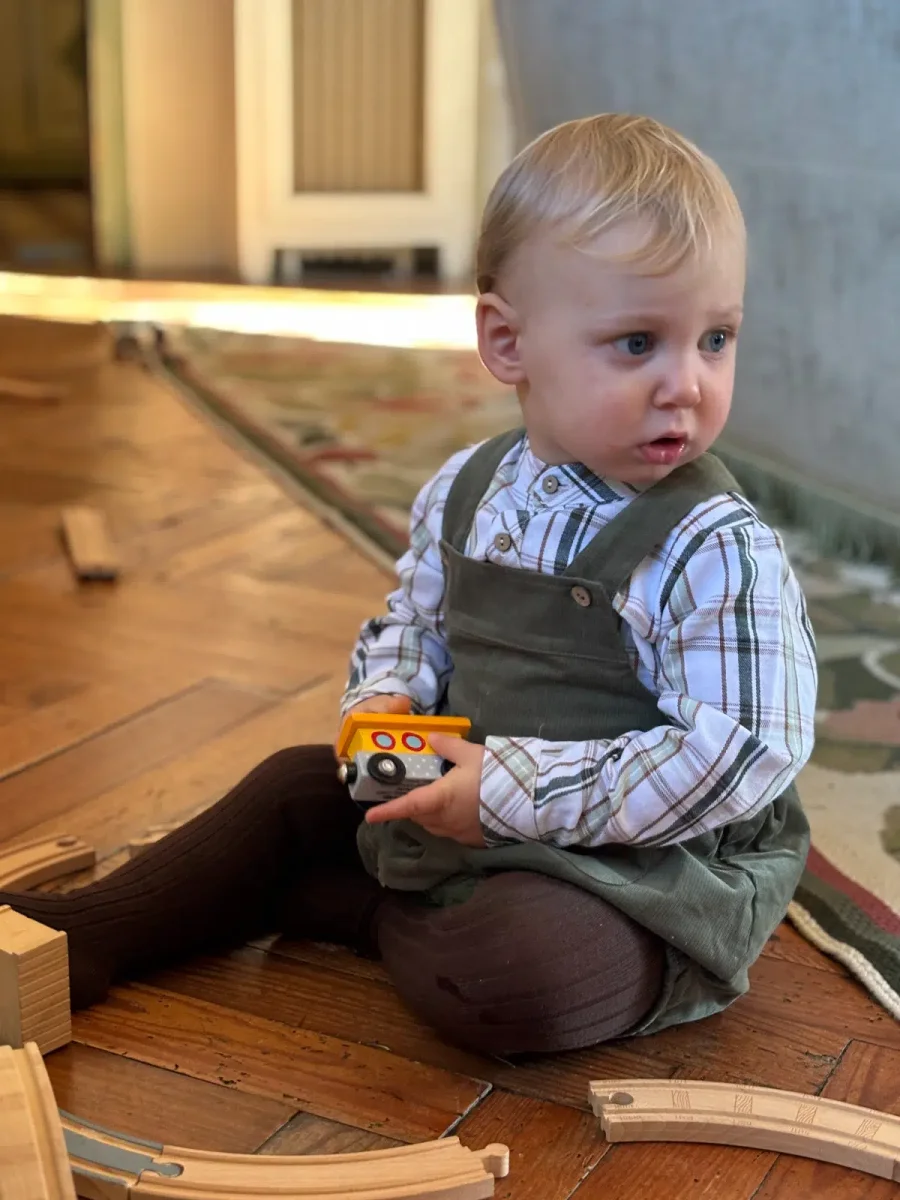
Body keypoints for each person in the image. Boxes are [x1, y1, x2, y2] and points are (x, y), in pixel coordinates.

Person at [0, 113, 817, 1057]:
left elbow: (739, 756)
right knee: (291, 787)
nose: (687, 384)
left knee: (523, 970)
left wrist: (507, 792)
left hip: (643, 865)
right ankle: (88, 933)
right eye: (638, 344)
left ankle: (358, 911)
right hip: (463, 802)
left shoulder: (715, 546)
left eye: (715, 339)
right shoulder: (468, 488)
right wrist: (386, 694)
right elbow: (416, 623)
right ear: (507, 343)